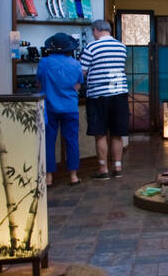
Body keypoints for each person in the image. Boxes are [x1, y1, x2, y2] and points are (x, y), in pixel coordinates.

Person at [81, 19, 129, 179]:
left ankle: (103, 169)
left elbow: (82, 71)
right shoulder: (121, 47)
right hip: (120, 94)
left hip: (98, 95)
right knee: (117, 133)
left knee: (100, 133)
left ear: (95, 30)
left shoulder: (91, 47)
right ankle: (118, 167)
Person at [37, 33, 82, 186]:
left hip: (49, 107)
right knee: (72, 141)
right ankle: (73, 176)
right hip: (70, 107)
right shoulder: (75, 64)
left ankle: (49, 177)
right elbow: (77, 86)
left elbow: (39, 83)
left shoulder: (44, 62)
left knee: (49, 141)